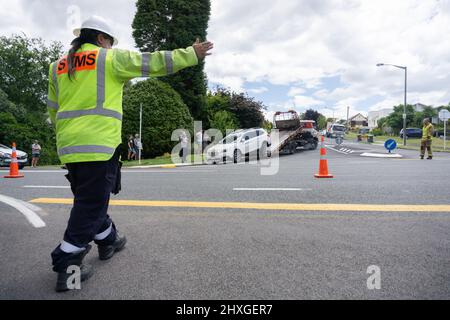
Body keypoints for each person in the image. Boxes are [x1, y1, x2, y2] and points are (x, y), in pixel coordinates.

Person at [47, 15, 213, 292]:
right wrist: (191, 54)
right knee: (89, 205)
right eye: (110, 42)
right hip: (99, 145)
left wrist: (67, 137)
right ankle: (67, 266)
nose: (110, 47)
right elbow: (154, 62)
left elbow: (53, 109)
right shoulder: (108, 59)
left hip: (69, 146)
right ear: (102, 39)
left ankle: (109, 239)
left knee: (91, 198)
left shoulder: (57, 66)